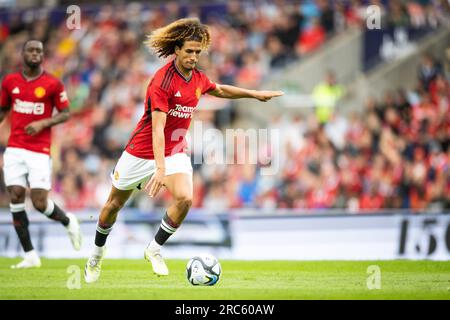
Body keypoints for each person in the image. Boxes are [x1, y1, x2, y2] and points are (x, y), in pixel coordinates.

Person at [84, 18, 284, 283]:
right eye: (189, 51)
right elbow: (157, 129)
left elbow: (220, 89)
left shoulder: (198, 79)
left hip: (174, 149)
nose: (193, 56)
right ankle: (96, 257)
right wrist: (159, 168)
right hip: (140, 151)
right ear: (176, 50)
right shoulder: (162, 82)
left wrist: (254, 93)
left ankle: (154, 249)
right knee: (112, 206)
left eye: (197, 52)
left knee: (185, 199)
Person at [0, 40, 82, 269]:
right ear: (23, 53)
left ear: (43, 56)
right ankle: (30, 255)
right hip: (15, 147)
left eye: (39, 51)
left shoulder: (52, 84)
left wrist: (43, 122)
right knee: (15, 196)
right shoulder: (10, 82)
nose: (35, 54)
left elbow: (65, 113)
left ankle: (68, 221)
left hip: (39, 150)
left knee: (38, 202)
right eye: (31, 50)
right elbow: (4, 110)